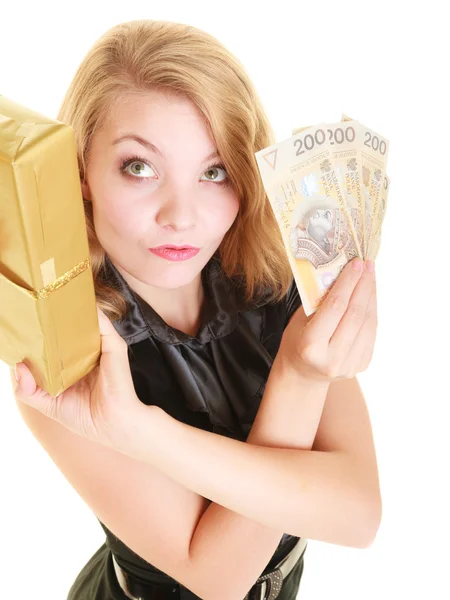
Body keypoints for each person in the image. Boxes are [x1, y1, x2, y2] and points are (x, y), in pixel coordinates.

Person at [10, 19, 381, 600]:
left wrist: (138, 432)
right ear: (80, 170)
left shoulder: (270, 276)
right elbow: (217, 577)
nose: (182, 216)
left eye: (214, 172)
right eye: (140, 167)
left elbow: (358, 514)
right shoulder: (64, 359)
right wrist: (298, 377)